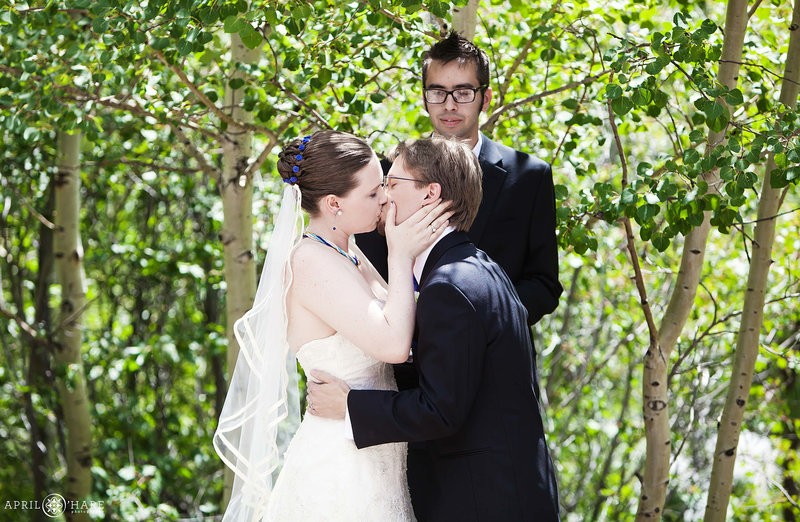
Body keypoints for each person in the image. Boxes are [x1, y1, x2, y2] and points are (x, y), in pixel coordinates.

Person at [309, 137, 561, 522]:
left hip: (483, 501)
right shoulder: (476, 267)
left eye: (391, 185)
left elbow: (440, 410)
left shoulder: (449, 286)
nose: (384, 198)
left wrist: (349, 407)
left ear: (430, 195)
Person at [213, 130, 452, 522]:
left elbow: (403, 320)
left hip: (374, 450)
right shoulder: (309, 262)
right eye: (373, 193)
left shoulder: (348, 252)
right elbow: (394, 344)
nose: (386, 198)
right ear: (334, 204)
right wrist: (401, 252)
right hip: (340, 463)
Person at [356, 31, 562, 326]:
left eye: (463, 92)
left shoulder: (529, 175)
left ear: (485, 97)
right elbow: (368, 267)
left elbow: (543, 285)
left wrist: (478, 320)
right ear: (425, 98)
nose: (449, 105)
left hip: (491, 358)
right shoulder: (386, 172)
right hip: (396, 357)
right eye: (438, 92)